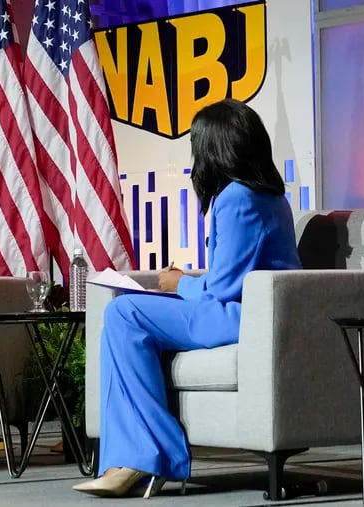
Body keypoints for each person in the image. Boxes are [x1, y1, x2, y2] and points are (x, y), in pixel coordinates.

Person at [73, 98, 302, 498]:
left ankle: (145, 458)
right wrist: (181, 284)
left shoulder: (237, 199)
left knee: (125, 313)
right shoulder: (269, 197)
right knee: (125, 319)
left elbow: (222, 289)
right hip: (247, 311)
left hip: (241, 317)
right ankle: (134, 457)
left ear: (214, 148)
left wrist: (178, 283)